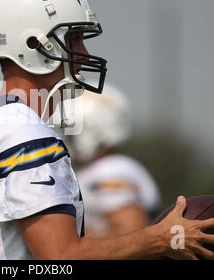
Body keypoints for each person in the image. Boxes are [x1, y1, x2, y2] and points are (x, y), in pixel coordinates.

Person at [0, 0, 214, 260]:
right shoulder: (22, 131)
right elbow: (61, 257)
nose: (83, 52)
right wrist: (160, 239)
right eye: (74, 38)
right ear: (33, 44)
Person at [66, 85, 161, 238]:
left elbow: (130, 235)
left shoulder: (111, 170)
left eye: (72, 129)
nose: (67, 137)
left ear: (95, 129)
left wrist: (62, 240)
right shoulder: (98, 170)